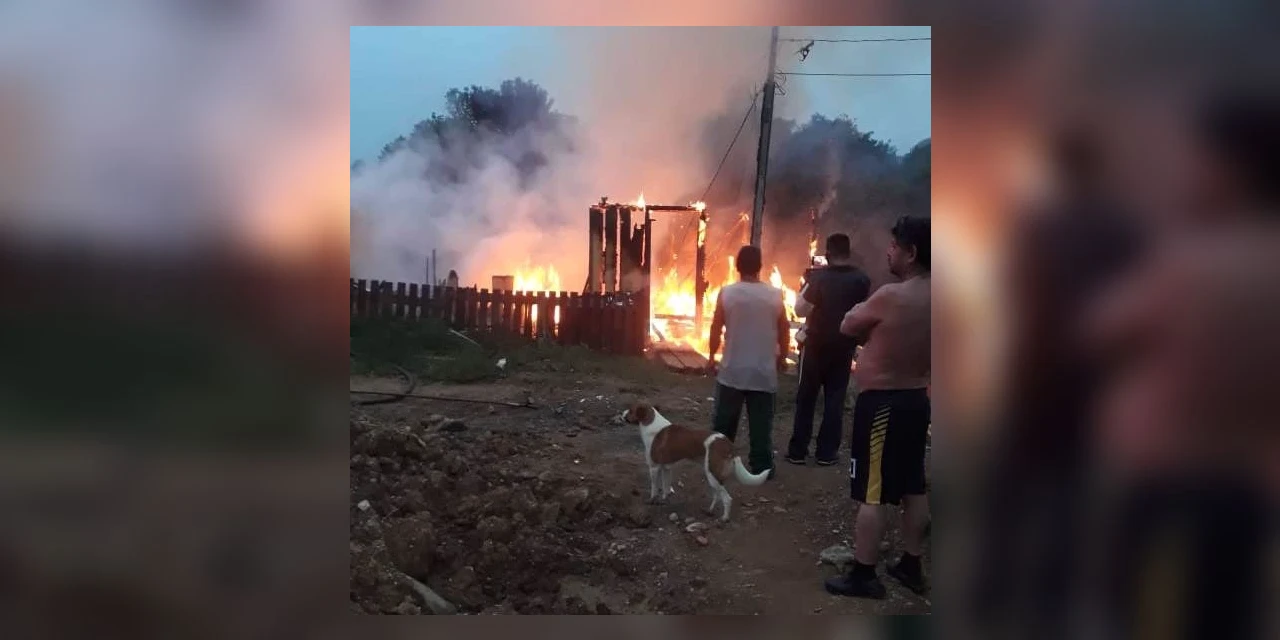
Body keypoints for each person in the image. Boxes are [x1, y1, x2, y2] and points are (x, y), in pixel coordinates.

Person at [824, 215, 931, 599]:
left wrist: (871, 327)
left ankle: (865, 573)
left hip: (884, 403)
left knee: (873, 490)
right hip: (918, 400)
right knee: (913, 485)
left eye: (894, 246)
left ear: (911, 252)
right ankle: (911, 563)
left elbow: (848, 324)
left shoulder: (892, 295)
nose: (889, 251)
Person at [786, 233, 871, 466]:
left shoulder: (820, 279)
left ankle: (798, 451)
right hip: (844, 346)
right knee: (835, 399)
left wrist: (806, 286)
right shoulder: (861, 280)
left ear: (829, 254)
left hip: (815, 347)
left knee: (806, 399)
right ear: (849, 252)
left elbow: (800, 310)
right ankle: (826, 453)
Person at [707, 245, 790, 478]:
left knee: (724, 424)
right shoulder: (775, 295)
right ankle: (762, 466)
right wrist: (782, 357)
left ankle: (719, 464)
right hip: (763, 373)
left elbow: (716, 327)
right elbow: (784, 329)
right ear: (760, 267)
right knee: (761, 427)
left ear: (737, 266)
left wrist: (712, 357)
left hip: (732, 371)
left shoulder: (727, 293)